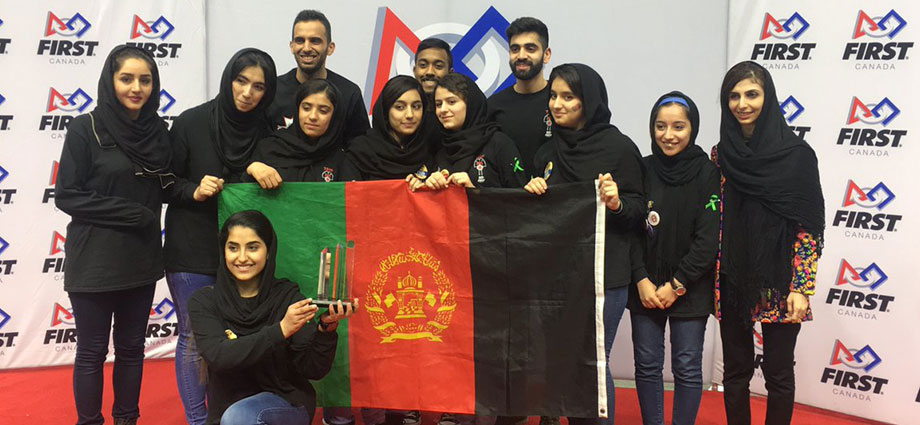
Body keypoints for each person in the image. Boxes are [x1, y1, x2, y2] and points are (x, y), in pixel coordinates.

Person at [54, 45, 176, 425]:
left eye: (145, 79)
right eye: (126, 79)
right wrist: (132, 214)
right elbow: (67, 195)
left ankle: (127, 419)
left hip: (139, 261)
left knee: (131, 350)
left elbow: (169, 186)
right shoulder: (84, 127)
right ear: (111, 81)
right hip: (94, 261)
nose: (136, 87)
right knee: (91, 352)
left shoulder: (159, 132)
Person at [524, 63, 645, 425]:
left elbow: (640, 211)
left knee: (592, 361)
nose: (557, 105)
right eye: (554, 96)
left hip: (604, 276)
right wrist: (531, 194)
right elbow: (539, 222)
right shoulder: (546, 153)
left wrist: (617, 201)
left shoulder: (619, 148)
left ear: (588, 101)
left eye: (568, 97)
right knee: (559, 358)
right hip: (556, 276)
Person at [163, 48, 277, 425]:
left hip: (246, 257)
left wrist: (258, 166)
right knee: (195, 340)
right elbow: (166, 183)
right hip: (192, 249)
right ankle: (198, 421)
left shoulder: (269, 132)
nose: (247, 92)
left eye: (258, 86)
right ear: (228, 79)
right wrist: (193, 189)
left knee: (245, 339)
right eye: (241, 81)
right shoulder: (190, 122)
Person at [713, 61, 823, 425]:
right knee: (735, 372)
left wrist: (801, 287)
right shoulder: (721, 155)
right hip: (733, 277)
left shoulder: (797, 156)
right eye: (734, 96)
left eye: (752, 94)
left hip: (779, 280)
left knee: (778, 374)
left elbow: (808, 228)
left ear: (769, 97)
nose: (742, 104)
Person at [188, 210, 357, 425]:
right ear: (223, 251)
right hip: (226, 412)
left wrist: (326, 330)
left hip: (285, 401)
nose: (242, 257)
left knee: (238, 418)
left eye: (253, 247)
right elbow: (219, 356)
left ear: (268, 251)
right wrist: (281, 330)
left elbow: (313, 370)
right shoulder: (204, 301)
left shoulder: (287, 297)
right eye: (233, 248)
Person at [627, 91, 719, 425]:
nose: (668, 135)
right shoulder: (642, 168)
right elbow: (632, 229)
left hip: (690, 287)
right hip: (646, 288)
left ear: (692, 128)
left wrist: (677, 285)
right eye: (661, 126)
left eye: (678, 126)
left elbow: (708, 240)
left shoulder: (707, 173)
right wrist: (640, 279)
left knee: (687, 366)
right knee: (647, 365)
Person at [408, 72, 526, 192]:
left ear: (470, 103)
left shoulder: (499, 144)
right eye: (438, 104)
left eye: (451, 102)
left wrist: (474, 190)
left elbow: (519, 202)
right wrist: (429, 187)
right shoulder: (441, 150)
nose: (442, 110)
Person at [268, 9, 369, 144]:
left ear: (330, 48)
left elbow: (360, 150)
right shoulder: (273, 90)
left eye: (315, 41)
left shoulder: (349, 93)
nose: (307, 48)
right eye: (300, 40)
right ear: (291, 46)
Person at [245, 79, 357, 187]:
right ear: (297, 109)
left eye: (323, 111)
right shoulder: (269, 148)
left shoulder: (342, 161)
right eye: (306, 108)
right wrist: (252, 169)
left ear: (335, 116)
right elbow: (243, 197)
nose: (313, 116)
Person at [488, 17, 552, 179]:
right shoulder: (493, 106)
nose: (521, 56)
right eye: (515, 49)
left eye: (530, 49)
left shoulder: (560, 102)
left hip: (555, 199)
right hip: (507, 200)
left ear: (546, 55)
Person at [346, 75, 433, 182]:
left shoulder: (430, 147)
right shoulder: (362, 151)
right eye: (400, 107)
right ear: (386, 110)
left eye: (416, 106)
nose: (410, 115)